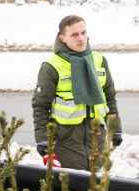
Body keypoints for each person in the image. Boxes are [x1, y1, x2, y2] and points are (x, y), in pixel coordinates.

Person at [32, 15, 122, 170]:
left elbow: (110, 98)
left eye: (83, 33)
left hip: (96, 138)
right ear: (62, 38)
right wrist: (42, 140)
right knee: (71, 190)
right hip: (66, 141)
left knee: (96, 188)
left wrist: (115, 128)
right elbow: (40, 106)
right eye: (74, 34)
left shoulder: (99, 61)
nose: (81, 38)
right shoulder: (51, 66)